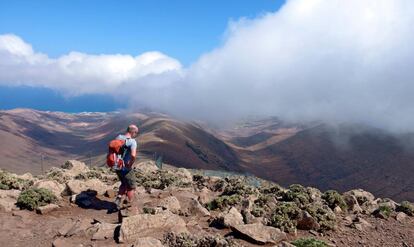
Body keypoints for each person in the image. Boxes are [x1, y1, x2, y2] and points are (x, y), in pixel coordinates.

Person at [114, 124, 139, 209]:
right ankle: (129, 206)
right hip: (126, 168)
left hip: (117, 166)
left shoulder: (118, 137)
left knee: (124, 183)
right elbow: (133, 155)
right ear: (133, 132)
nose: (136, 134)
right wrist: (130, 164)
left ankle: (119, 198)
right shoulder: (132, 141)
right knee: (131, 187)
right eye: (136, 133)